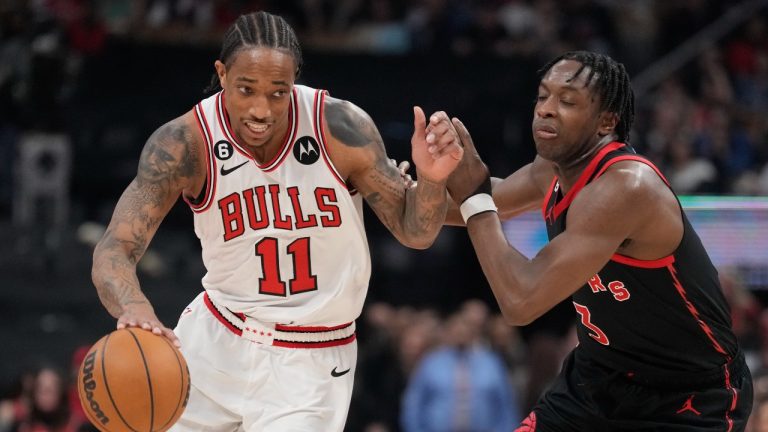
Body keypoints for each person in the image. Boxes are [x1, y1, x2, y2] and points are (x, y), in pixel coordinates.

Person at [90, 11, 463, 432]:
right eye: (246, 90)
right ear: (222, 73)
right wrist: (134, 306)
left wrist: (432, 180)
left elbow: (414, 230)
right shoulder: (185, 142)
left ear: (295, 82)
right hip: (216, 339)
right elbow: (114, 248)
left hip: (310, 362)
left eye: (277, 93)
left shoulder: (339, 126)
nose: (261, 109)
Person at [444, 51, 753, 431]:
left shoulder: (628, 188)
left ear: (607, 120)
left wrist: (473, 200)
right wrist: (387, 185)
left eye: (568, 100)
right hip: (596, 380)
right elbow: (483, 200)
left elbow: (519, 300)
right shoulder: (553, 171)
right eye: (542, 96)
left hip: (686, 396)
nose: (546, 110)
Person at [400, 306, 520, 432]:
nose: (461, 333)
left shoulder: (491, 363)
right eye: (457, 329)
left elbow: (506, 406)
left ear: (473, 333)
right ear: (449, 332)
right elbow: (413, 405)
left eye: (465, 329)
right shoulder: (431, 363)